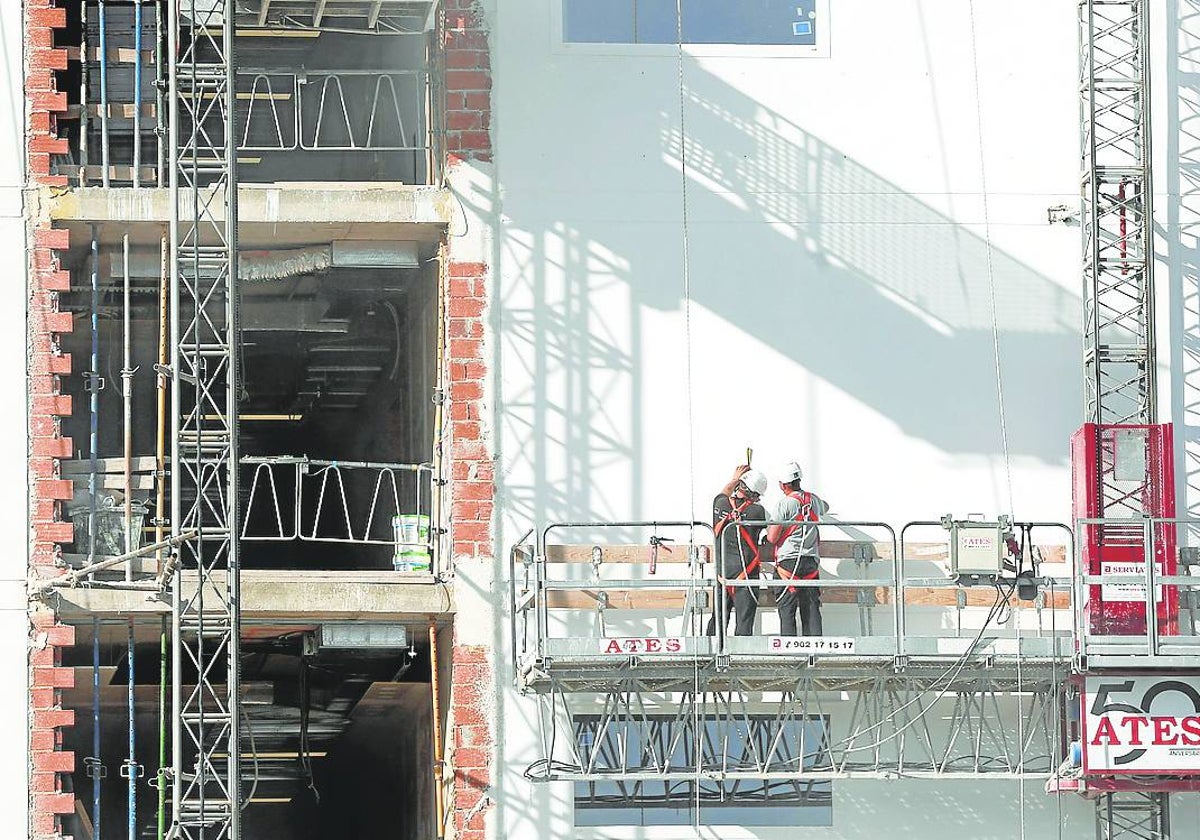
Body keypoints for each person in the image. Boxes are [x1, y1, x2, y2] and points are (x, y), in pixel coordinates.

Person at [766, 461, 829, 637]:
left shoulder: (784, 504)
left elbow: (772, 537)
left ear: (782, 484)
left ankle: (789, 653)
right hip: (810, 563)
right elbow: (826, 507)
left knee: (787, 610)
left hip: (788, 564)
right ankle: (815, 651)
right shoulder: (813, 500)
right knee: (811, 609)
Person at [706, 464, 769, 637]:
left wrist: (735, 478)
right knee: (744, 622)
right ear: (755, 494)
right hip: (745, 576)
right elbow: (771, 535)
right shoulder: (757, 511)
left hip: (723, 575)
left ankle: (711, 655)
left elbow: (724, 493)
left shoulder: (719, 504)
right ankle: (739, 657)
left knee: (718, 619)